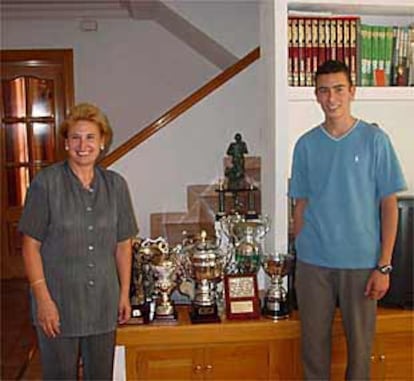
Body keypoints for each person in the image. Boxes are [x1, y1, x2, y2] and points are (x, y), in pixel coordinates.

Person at [288, 60, 406, 380]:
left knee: (360, 353)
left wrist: (383, 266)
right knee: (313, 351)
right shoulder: (306, 145)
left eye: (339, 89)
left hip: (362, 265)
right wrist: (301, 249)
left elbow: (389, 205)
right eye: (324, 90)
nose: (332, 98)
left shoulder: (374, 140)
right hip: (314, 265)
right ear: (316, 95)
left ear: (351, 91)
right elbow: (300, 204)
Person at [19, 103, 139, 380]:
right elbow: (30, 246)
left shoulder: (116, 185)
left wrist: (123, 294)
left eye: (90, 137)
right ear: (65, 143)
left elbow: (123, 244)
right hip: (58, 303)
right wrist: (43, 300)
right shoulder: (45, 184)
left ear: (103, 142)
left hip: (102, 303)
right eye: (75, 137)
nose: (82, 145)